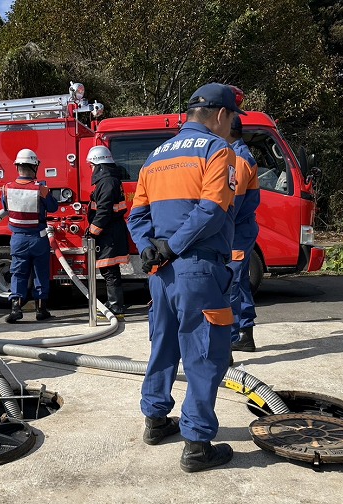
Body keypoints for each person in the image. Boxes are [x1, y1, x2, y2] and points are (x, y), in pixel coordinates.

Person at [127, 82, 241, 473]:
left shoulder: (154, 157)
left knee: (163, 345)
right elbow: (210, 210)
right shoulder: (217, 150)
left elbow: (137, 216)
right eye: (233, 118)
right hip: (198, 267)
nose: (233, 125)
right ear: (221, 114)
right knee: (204, 352)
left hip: (160, 272)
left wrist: (150, 248)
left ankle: (156, 420)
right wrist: (174, 246)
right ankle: (197, 444)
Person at [2, 149, 58, 323]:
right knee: (41, 272)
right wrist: (46, 193)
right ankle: (41, 309)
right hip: (38, 237)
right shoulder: (40, 189)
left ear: (17, 167)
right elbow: (53, 207)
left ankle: (16, 308)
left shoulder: (7, 188)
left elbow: (5, 207)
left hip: (18, 238)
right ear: (35, 167)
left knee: (18, 272)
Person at [226, 114, 261, 354]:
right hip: (242, 230)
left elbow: (232, 203)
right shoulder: (240, 154)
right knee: (241, 283)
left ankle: (229, 337)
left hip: (235, 231)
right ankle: (245, 334)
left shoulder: (237, 159)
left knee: (230, 283)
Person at [85, 146, 130, 318]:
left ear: (98, 164)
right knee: (110, 270)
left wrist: (93, 231)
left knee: (109, 270)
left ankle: (116, 306)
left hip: (109, 232)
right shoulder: (110, 180)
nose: (91, 169)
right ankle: (114, 303)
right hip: (111, 230)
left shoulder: (106, 181)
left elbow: (104, 211)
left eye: (91, 165)